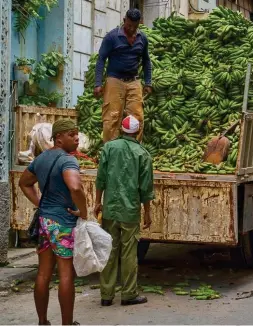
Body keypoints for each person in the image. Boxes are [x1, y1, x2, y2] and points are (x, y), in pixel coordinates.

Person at [18, 119, 87, 325]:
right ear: (58, 138)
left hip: (44, 221)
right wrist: (82, 212)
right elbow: (75, 188)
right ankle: (67, 323)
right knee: (66, 273)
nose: (76, 138)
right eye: (71, 134)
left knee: (43, 273)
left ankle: (43, 321)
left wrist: (40, 203)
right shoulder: (68, 160)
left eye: (77, 134)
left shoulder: (41, 158)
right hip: (63, 223)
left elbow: (24, 182)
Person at [95, 115, 154, 306]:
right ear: (137, 132)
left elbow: (101, 178)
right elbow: (146, 188)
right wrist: (147, 212)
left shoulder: (109, 148)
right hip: (130, 211)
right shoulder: (142, 154)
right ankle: (128, 294)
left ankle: (106, 295)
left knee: (109, 251)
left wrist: (97, 201)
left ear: (121, 129)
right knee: (129, 252)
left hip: (110, 208)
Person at [94, 8, 153, 143]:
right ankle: (111, 149)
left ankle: (135, 148)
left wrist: (148, 82)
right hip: (114, 80)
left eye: (135, 26)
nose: (131, 29)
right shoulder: (112, 37)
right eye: (129, 25)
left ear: (139, 24)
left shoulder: (142, 38)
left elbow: (146, 60)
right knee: (112, 117)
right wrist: (98, 83)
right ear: (124, 20)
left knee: (137, 117)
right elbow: (101, 59)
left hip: (134, 81)